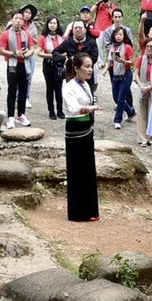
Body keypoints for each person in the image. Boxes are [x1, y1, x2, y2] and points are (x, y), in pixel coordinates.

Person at [62, 53, 101, 222]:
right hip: (76, 128)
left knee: (88, 167)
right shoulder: (69, 86)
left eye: (91, 66)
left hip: (87, 127)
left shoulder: (85, 84)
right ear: (76, 68)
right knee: (77, 169)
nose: (90, 70)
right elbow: (71, 108)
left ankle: (90, 209)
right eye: (86, 66)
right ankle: (78, 212)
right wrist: (89, 109)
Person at [0, 11, 35, 127]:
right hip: (12, 65)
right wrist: (14, 53)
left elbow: (32, 48)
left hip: (24, 65)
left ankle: (21, 115)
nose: (18, 21)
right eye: (16, 18)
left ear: (23, 21)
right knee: (12, 91)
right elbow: (1, 50)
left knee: (23, 91)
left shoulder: (27, 34)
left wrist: (26, 55)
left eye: (20, 18)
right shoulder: (6, 34)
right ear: (12, 20)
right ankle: (10, 117)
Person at [54, 21, 100, 94]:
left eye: (80, 28)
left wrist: (81, 63)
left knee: (88, 99)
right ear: (72, 30)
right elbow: (55, 52)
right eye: (75, 28)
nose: (78, 29)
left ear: (85, 29)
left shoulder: (91, 42)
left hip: (87, 75)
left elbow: (94, 57)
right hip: (72, 74)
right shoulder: (68, 41)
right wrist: (65, 60)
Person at [106, 26, 136, 130]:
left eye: (121, 35)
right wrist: (106, 69)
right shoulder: (112, 47)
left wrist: (124, 61)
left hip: (126, 74)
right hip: (115, 74)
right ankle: (131, 111)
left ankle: (117, 120)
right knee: (116, 98)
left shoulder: (127, 47)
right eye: (117, 34)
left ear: (124, 36)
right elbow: (110, 60)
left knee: (121, 98)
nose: (118, 37)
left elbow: (133, 62)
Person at [37, 16, 65, 120]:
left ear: (57, 25)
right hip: (48, 64)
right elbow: (38, 52)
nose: (52, 25)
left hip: (59, 65)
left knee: (58, 88)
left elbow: (67, 50)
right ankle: (51, 111)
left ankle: (60, 110)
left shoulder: (62, 37)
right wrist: (51, 56)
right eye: (50, 23)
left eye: (54, 23)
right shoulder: (43, 37)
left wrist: (61, 56)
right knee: (50, 88)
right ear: (47, 24)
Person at [134, 38, 152, 146]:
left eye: (151, 47)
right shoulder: (141, 59)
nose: (148, 49)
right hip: (142, 86)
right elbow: (136, 73)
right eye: (147, 46)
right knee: (141, 114)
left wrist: (150, 87)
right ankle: (142, 138)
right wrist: (141, 86)